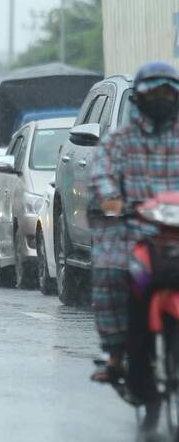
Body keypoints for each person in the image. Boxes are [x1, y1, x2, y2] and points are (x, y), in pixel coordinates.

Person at [89, 62, 179, 423]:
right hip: (132, 233)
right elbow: (102, 173)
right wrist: (111, 198)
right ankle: (115, 356)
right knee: (110, 274)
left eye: (168, 93)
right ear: (139, 100)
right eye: (153, 93)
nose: (161, 100)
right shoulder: (118, 141)